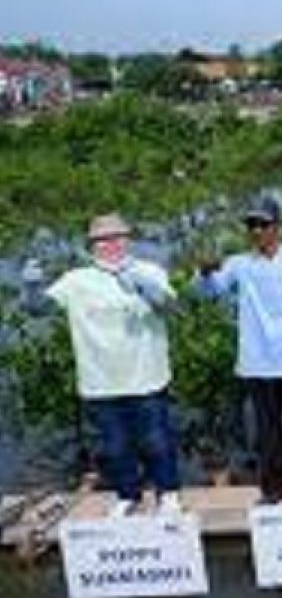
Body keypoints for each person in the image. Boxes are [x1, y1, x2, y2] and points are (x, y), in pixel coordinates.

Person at [194, 195, 282, 504]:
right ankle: (274, 491)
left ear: (278, 227)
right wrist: (204, 273)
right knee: (267, 434)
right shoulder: (239, 264)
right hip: (258, 364)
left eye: (263, 224)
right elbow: (209, 292)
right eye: (251, 225)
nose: (257, 230)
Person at [45, 213, 182, 517]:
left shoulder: (149, 270)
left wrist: (148, 290)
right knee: (114, 447)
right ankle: (127, 495)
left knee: (156, 441)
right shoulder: (75, 280)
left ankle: (168, 492)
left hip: (147, 377)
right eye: (103, 239)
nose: (111, 244)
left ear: (128, 239)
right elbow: (40, 308)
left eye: (118, 237)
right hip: (99, 382)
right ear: (92, 245)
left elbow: (171, 306)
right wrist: (30, 290)